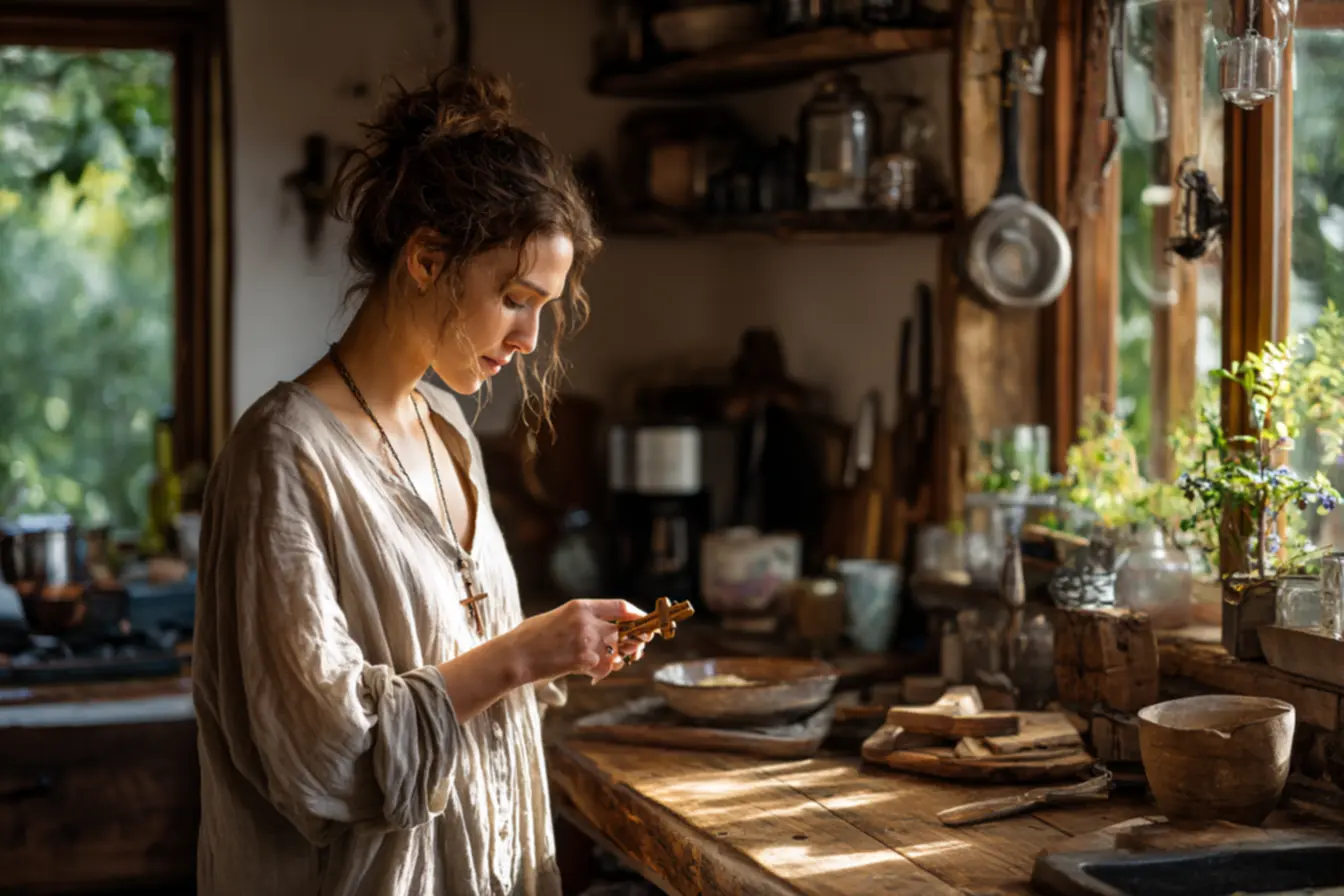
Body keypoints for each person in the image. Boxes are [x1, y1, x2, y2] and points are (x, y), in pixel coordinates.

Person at [192, 66, 646, 896]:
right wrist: (527, 651)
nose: (530, 337)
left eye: (543, 307)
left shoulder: (450, 433)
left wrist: (556, 651)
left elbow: (456, 665)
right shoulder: (283, 456)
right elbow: (324, 752)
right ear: (428, 258)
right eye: (515, 298)